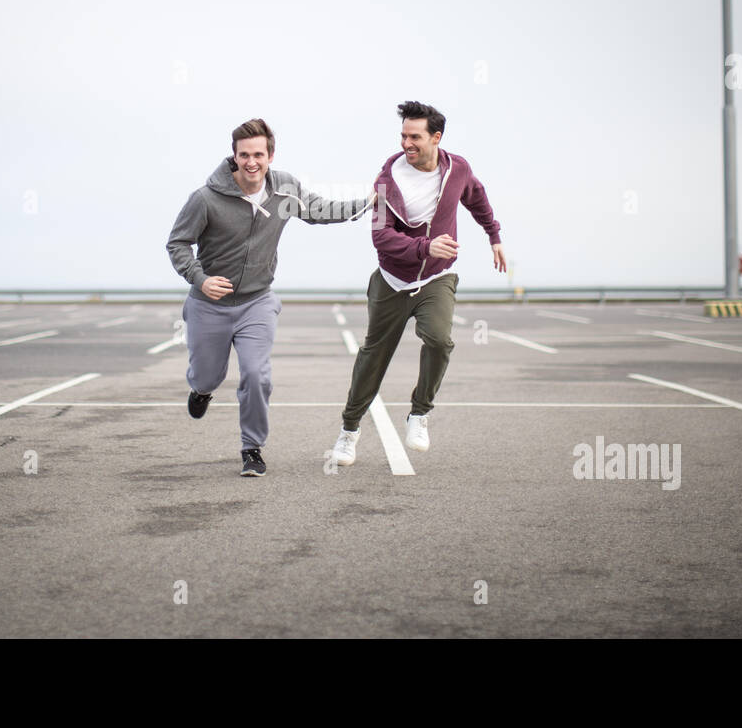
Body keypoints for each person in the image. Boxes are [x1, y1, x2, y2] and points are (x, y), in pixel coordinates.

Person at [167, 118, 374, 476]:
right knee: (206, 376)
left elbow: (321, 210)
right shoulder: (205, 199)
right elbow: (178, 243)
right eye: (244, 155)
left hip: (256, 302)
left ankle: (252, 449)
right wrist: (200, 280)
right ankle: (201, 391)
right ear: (234, 157)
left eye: (258, 154)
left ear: (270, 155)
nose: (252, 162)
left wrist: (370, 201)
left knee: (256, 374)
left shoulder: (284, 191)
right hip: (208, 306)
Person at [330, 101, 506, 466]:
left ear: (436, 137)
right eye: (403, 136)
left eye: (415, 136)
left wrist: (494, 236)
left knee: (440, 340)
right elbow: (381, 238)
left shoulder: (458, 169)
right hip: (392, 280)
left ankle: (419, 413)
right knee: (373, 357)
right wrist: (426, 245)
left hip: (437, 277)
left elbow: (477, 199)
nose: (406, 143)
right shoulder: (386, 181)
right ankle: (349, 432)